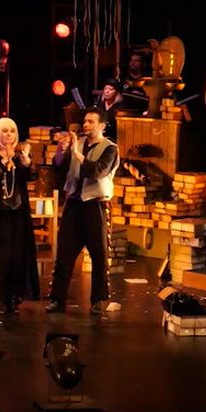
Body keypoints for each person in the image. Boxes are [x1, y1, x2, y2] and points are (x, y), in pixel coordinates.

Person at [47, 107, 119, 315]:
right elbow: (60, 168)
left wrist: (77, 154)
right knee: (65, 254)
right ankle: (57, 299)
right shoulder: (77, 143)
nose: (86, 125)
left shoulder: (110, 148)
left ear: (102, 126)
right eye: (85, 121)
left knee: (98, 254)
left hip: (95, 204)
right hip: (74, 204)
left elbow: (96, 171)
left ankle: (97, 300)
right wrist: (61, 151)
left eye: (91, 122)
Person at [0, 118, 40, 314]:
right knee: (1, 256)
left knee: (18, 255)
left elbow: (31, 177)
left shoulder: (20, 155)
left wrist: (26, 161)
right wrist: (4, 162)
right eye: (4, 131)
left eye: (12, 131)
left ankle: (13, 297)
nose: (8, 135)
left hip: (19, 212)